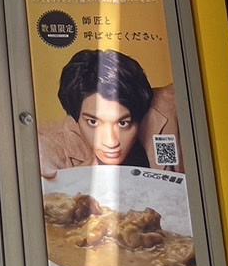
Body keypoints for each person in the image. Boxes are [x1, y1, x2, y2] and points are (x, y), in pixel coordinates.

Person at [38, 49, 180, 176]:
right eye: (93, 122)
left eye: (123, 123)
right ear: (76, 116)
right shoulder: (47, 147)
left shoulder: (173, 105)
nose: (111, 142)